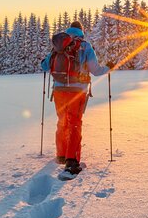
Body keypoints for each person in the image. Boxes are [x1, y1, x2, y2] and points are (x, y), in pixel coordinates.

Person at [41, 21, 113, 176]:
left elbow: (45, 66)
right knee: (74, 123)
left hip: (59, 91)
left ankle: (61, 155)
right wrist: (109, 67)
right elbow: (95, 70)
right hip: (77, 91)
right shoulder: (85, 46)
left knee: (62, 121)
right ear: (81, 32)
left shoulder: (59, 44)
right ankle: (72, 162)